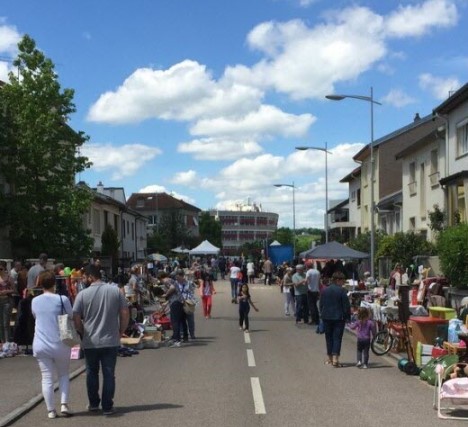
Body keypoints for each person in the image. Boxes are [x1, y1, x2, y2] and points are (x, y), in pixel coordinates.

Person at [73, 264, 129, 415]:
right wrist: (121, 331)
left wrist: (81, 331)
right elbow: (125, 313)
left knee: (91, 372)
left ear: (91, 277)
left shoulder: (82, 295)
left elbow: (76, 317)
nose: (83, 279)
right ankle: (107, 406)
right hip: (110, 339)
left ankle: (93, 404)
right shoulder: (115, 291)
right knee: (109, 373)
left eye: (85, 277)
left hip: (90, 340)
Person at [31, 270, 73, 419]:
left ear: (41, 284)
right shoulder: (62, 299)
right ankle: (64, 404)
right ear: (55, 283)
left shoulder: (34, 301)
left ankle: (50, 410)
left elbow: (35, 316)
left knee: (46, 378)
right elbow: (71, 315)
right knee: (63, 374)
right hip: (60, 342)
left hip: (40, 344)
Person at [320, 271, 351, 367]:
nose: (343, 283)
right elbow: (346, 306)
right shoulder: (342, 291)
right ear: (338, 280)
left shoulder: (325, 290)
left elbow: (321, 304)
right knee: (337, 338)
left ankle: (329, 358)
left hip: (326, 316)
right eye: (342, 281)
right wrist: (348, 317)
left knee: (328, 338)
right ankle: (335, 359)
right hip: (338, 317)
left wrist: (322, 314)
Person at [160, 271, 184, 348]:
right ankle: (175, 337)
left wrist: (166, 294)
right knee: (176, 320)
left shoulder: (166, 281)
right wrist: (166, 302)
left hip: (175, 302)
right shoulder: (171, 280)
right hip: (178, 301)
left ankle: (177, 340)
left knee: (175, 321)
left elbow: (172, 288)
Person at [176, 269, 198, 340]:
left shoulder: (188, 283)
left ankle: (192, 334)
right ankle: (183, 334)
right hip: (179, 303)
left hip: (188, 303)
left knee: (190, 319)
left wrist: (190, 301)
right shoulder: (176, 283)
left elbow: (192, 292)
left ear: (182, 276)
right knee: (181, 320)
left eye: (180, 276)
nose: (178, 278)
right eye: (177, 276)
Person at [0, 261, 14, 343]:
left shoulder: (9, 278)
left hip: (7, 301)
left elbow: (14, 290)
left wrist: (6, 291)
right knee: (0, 323)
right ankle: (2, 342)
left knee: (6, 323)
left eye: (1, 268)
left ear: (4, 268)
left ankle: (7, 342)